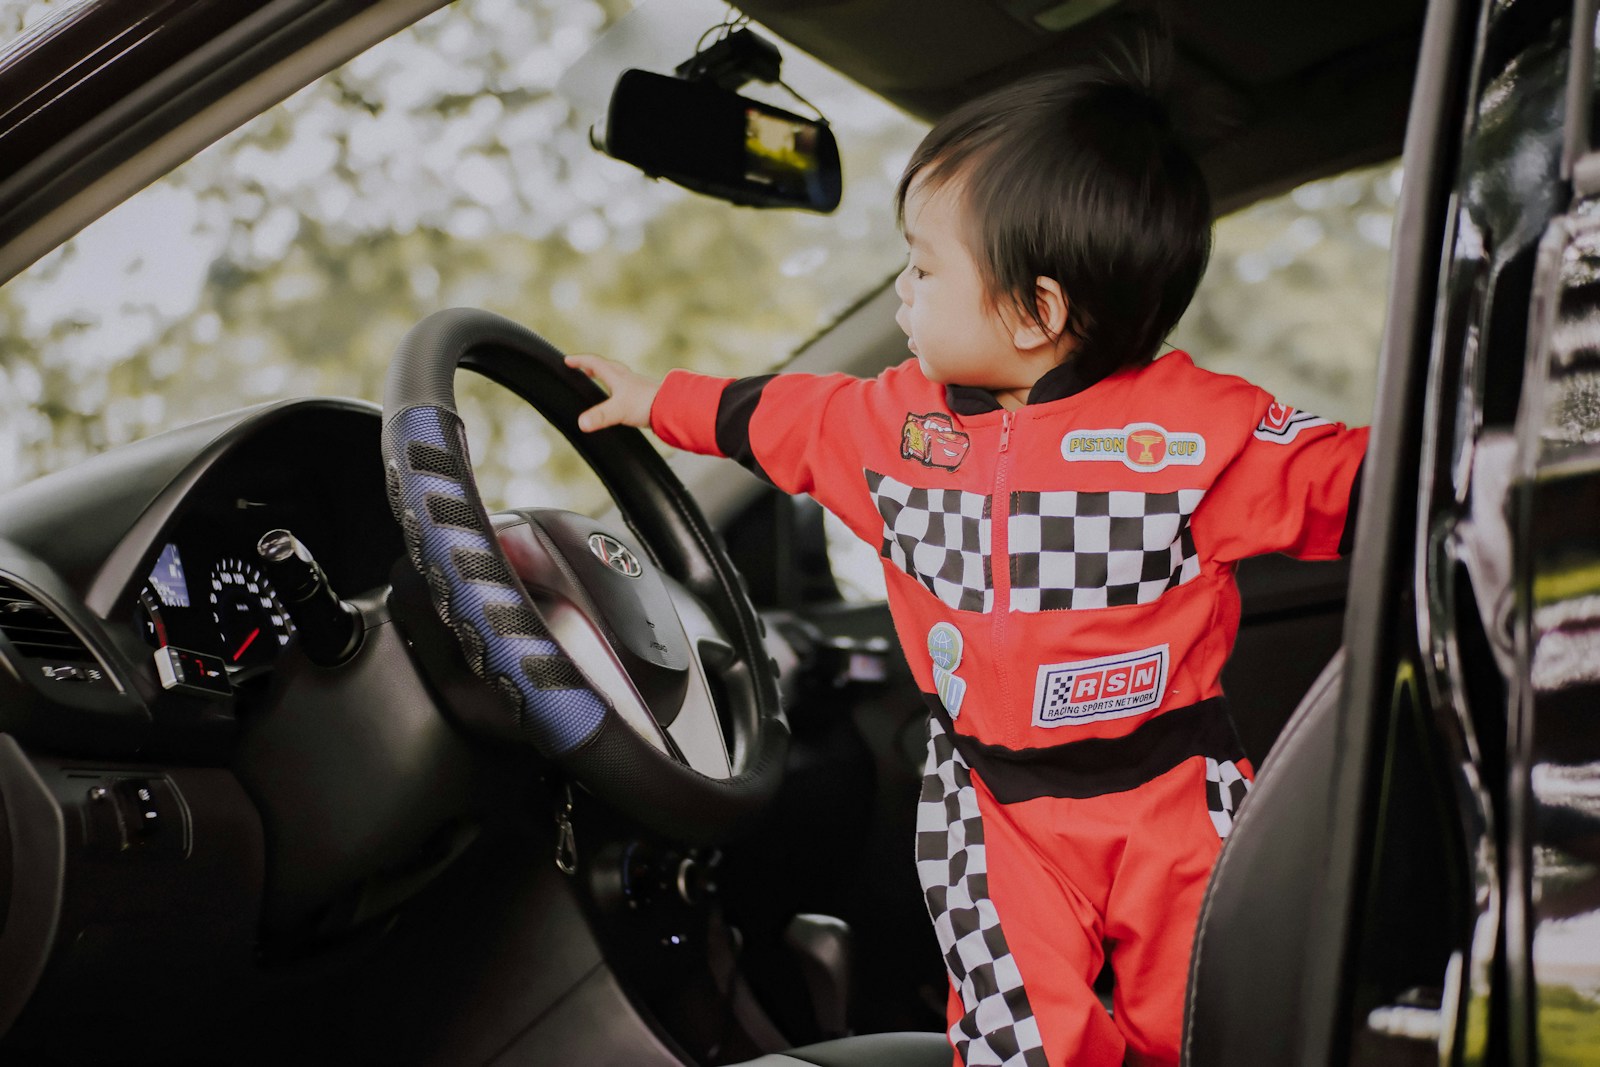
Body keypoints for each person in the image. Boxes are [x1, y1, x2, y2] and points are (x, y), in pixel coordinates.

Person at [566, 62, 1368, 1067]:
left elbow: (1367, 480)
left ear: (1034, 309)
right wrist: (658, 399)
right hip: (991, 807)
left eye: (923, 266)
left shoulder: (1196, 435)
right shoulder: (889, 424)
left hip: (1169, 788)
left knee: (1211, 1018)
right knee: (1019, 1036)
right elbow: (772, 414)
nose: (903, 290)